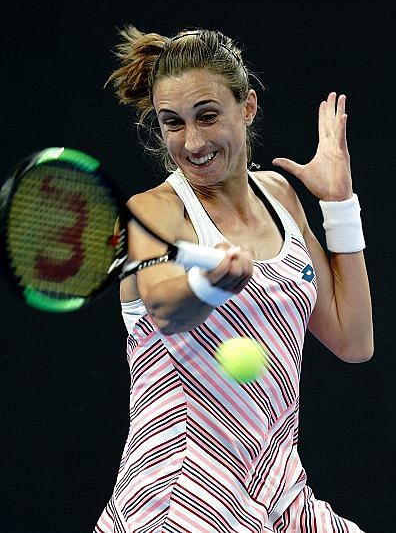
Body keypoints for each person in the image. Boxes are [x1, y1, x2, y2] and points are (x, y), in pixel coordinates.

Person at [94, 26, 373, 533]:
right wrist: (210, 286)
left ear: (247, 107)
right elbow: (164, 308)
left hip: (279, 490)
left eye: (207, 115)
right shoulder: (152, 212)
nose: (193, 142)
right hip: (179, 492)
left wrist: (339, 204)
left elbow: (354, 340)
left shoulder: (281, 197)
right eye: (172, 123)